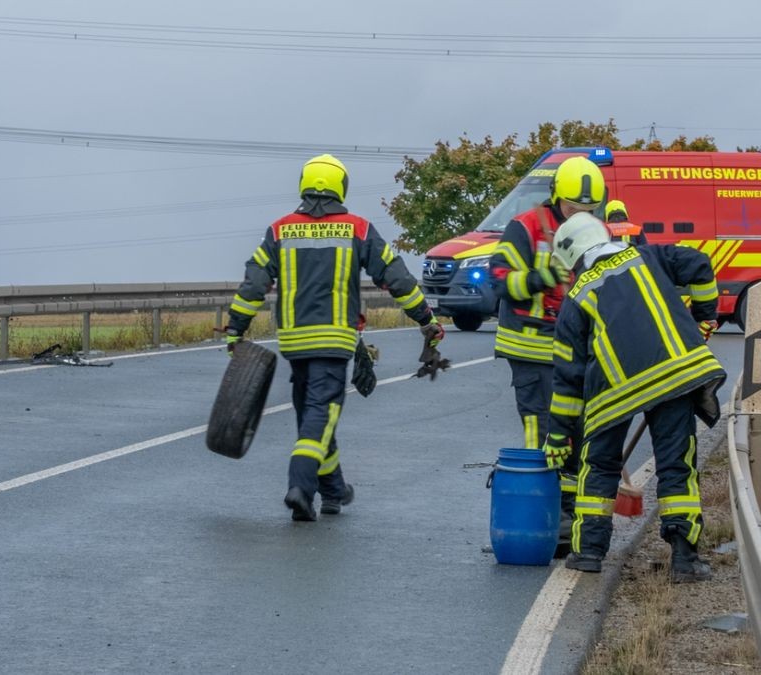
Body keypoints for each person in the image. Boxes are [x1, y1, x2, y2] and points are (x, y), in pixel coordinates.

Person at [225, 154, 444, 522]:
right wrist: (426, 319)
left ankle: (333, 490)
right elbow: (397, 278)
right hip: (335, 340)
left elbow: (253, 285)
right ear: (341, 186)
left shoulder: (279, 231)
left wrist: (235, 328)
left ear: (304, 185)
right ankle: (299, 486)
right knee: (320, 414)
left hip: (295, 342)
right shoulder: (358, 230)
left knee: (312, 413)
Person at [545, 211, 726, 583]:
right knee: (676, 464)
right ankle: (685, 560)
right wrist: (705, 318)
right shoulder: (649, 256)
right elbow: (701, 264)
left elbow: (568, 380)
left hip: (613, 393)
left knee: (598, 466)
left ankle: (588, 554)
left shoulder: (576, 298)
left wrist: (560, 434)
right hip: (674, 376)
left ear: (574, 259)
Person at [489, 156, 603, 554]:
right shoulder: (527, 227)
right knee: (541, 429)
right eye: (574, 209)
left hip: (574, 349)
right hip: (531, 345)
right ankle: (544, 514)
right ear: (557, 198)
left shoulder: (596, 230)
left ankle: (567, 514)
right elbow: (500, 281)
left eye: (589, 211)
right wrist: (544, 277)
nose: (580, 216)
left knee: (578, 428)